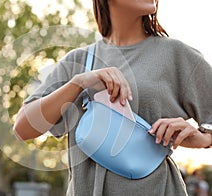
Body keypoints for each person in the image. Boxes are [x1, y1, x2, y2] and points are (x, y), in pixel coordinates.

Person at [14, 0, 212, 195]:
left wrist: (202, 138)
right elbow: (22, 128)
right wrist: (79, 83)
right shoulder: (78, 61)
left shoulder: (176, 55)